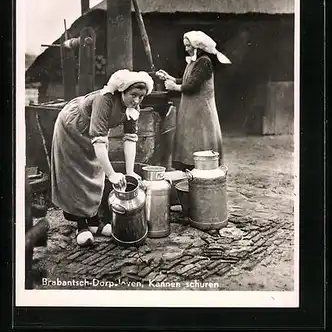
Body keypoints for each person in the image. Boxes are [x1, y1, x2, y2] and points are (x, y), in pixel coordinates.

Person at [51, 69, 154, 246]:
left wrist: (129, 172)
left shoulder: (133, 108)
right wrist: (112, 174)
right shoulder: (104, 99)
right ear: (122, 91)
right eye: (133, 95)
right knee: (78, 176)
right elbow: (99, 142)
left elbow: (130, 139)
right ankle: (81, 226)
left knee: (96, 174)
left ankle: (94, 223)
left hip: (93, 134)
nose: (137, 100)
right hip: (72, 127)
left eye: (141, 96)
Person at [156, 31, 231, 170]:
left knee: (200, 141)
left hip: (201, 112)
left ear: (198, 46)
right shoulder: (194, 61)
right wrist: (171, 78)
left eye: (188, 46)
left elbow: (192, 86)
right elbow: (187, 81)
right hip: (192, 110)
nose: (186, 49)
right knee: (192, 140)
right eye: (185, 46)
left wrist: (174, 87)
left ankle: (200, 169)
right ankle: (190, 170)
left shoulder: (204, 62)